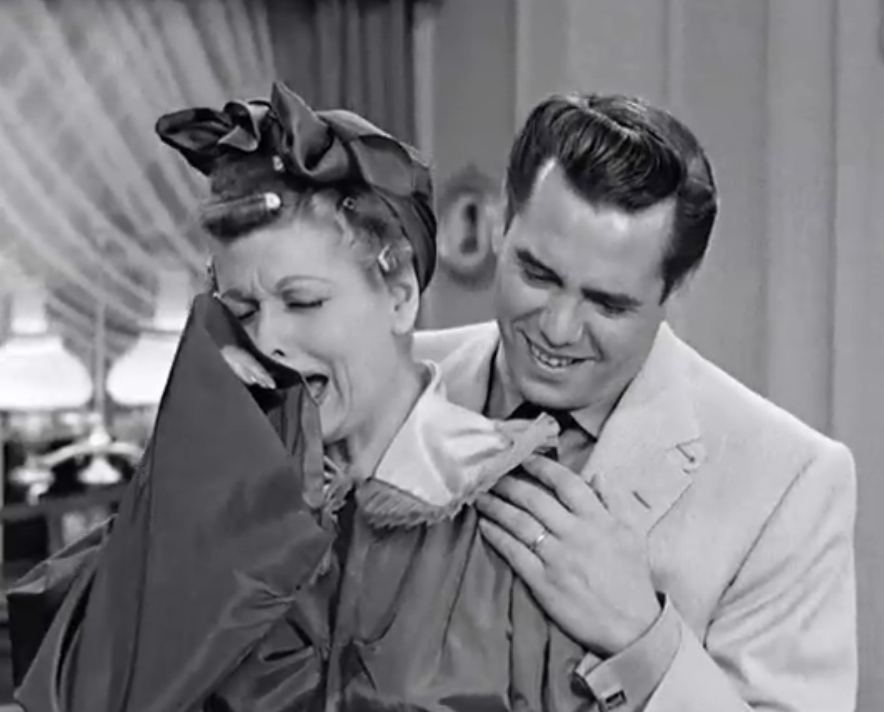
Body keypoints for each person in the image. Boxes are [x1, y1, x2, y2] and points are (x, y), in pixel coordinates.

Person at [4, 85, 617, 712]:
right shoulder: (214, 499)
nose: (267, 338)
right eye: (242, 310)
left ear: (401, 295)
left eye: (303, 301)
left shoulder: (516, 511)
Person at [414, 93, 858, 712]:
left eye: (608, 303)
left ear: (675, 288)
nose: (559, 328)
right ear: (501, 227)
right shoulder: (392, 386)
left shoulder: (790, 483)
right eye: (538, 275)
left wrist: (642, 639)